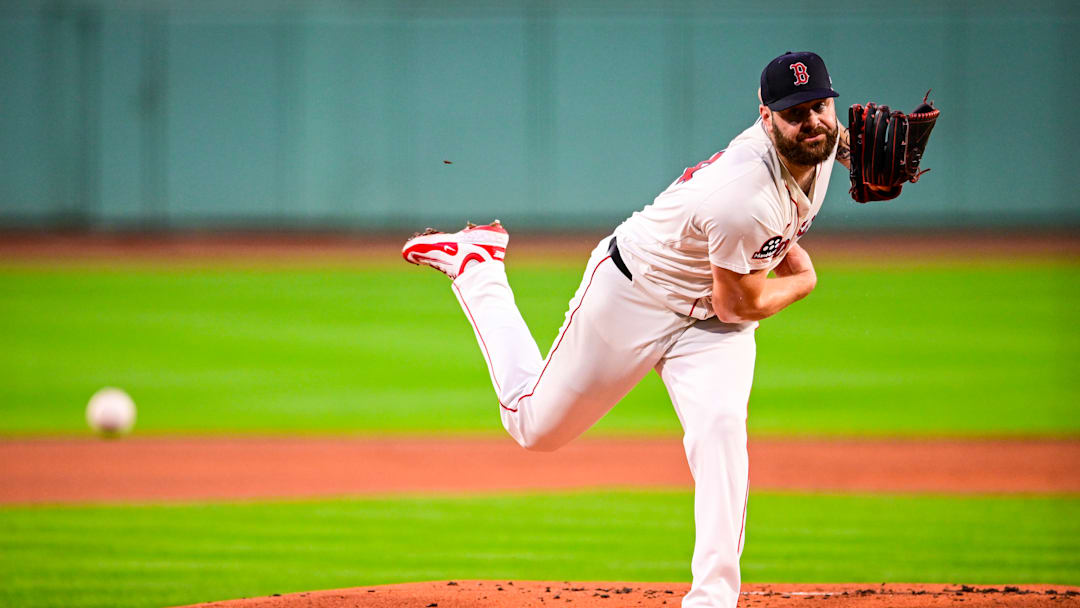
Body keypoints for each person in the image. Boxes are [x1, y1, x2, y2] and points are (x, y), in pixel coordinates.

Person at [402, 51, 851, 608]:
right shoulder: (742, 195)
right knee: (534, 428)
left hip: (707, 322)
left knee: (720, 433)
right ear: (766, 117)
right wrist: (803, 281)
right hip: (634, 293)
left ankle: (713, 599)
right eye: (794, 113)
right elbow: (738, 303)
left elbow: (835, 151)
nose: (812, 122)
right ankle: (479, 265)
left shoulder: (827, 140)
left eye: (820, 106)